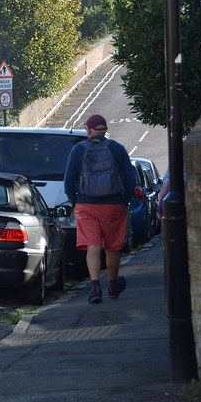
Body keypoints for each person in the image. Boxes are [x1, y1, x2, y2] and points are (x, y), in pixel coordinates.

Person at [64, 113, 138, 303]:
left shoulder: (78, 150)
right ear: (105, 130)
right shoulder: (117, 149)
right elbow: (130, 179)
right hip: (113, 204)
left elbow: (68, 180)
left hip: (86, 205)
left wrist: (74, 201)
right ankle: (113, 285)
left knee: (93, 246)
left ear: (88, 130)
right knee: (112, 247)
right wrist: (125, 200)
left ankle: (95, 288)